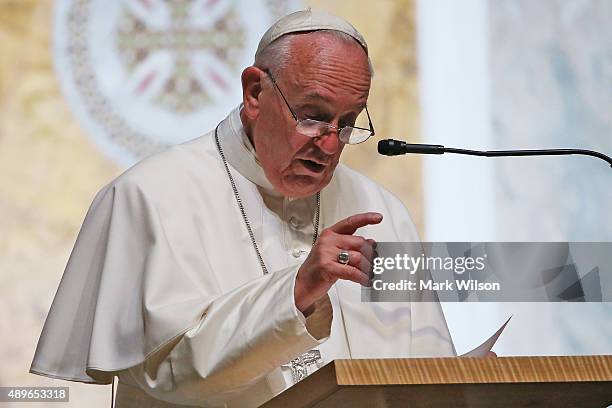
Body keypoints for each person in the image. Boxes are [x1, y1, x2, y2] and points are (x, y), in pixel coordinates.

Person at [30, 9, 455, 407]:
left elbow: (431, 368)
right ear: (255, 92)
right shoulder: (150, 195)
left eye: (347, 123)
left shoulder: (383, 211)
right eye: (312, 115)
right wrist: (296, 291)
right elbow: (171, 371)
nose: (329, 144)